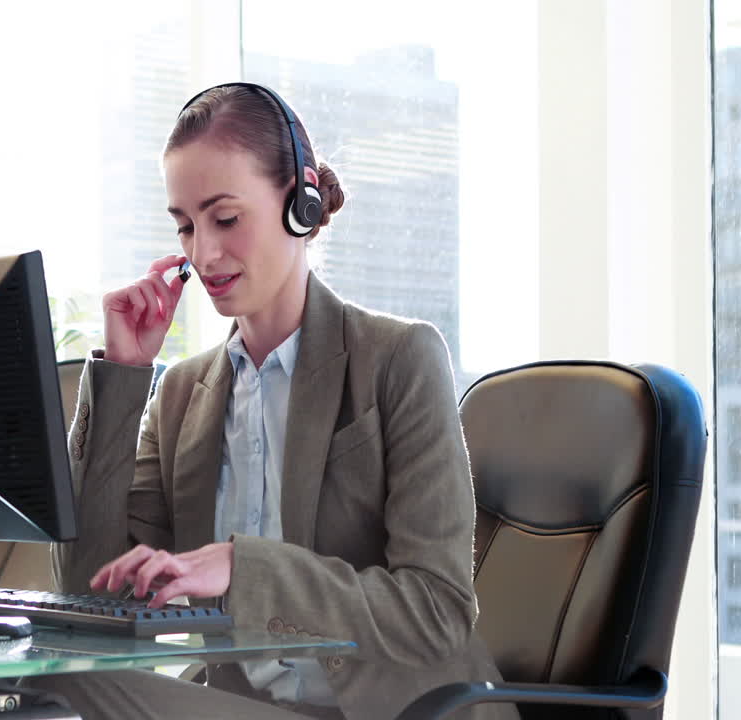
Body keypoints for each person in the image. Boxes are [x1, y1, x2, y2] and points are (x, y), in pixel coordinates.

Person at [33, 83, 518, 720]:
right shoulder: (182, 395)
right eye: (185, 226)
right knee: (48, 687)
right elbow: (85, 594)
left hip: (396, 712)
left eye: (225, 218)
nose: (203, 253)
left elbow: (437, 613)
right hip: (250, 706)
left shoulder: (399, 359)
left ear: (301, 201)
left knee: (61, 696)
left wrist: (244, 569)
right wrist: (125, 372)